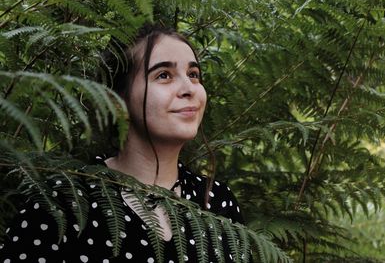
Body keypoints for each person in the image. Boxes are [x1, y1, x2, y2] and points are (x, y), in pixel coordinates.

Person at [0, 25, 244, 262]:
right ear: (117, 99)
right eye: (164, 75)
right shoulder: (63, 201)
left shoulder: (216, 201)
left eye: (193, 74)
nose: (188, 88)